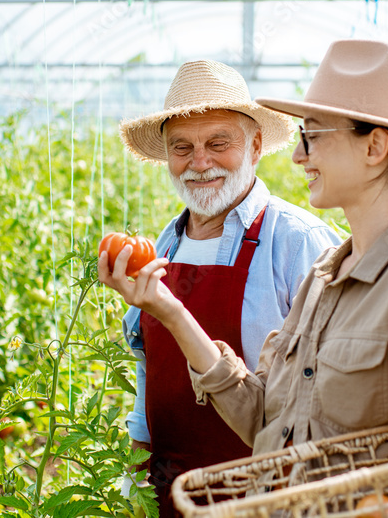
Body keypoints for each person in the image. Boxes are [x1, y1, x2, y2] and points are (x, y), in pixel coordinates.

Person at [101, 40, 388, 517]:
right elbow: (269, 421)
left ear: (374, 146)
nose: (297, 155)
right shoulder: (326, 276)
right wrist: (169, 310)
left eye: (312, 136)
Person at [115, 59, 340, 516]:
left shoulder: (297, 241)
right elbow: (147, 363)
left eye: (219, 143)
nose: (200, 163)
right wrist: (135, 463)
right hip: (169, 491)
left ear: (255, 146)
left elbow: (334, 392)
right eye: (182, 148)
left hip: (268, 494)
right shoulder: (164, 243)